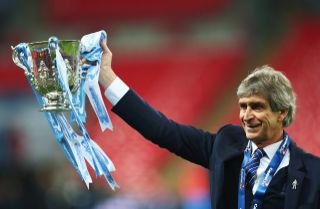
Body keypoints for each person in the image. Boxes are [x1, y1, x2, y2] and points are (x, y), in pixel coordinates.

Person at [98, 40, 320, 209]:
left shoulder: (311, 172)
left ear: (282, 112)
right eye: (244, 106)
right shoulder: (225, 144)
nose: (247, 115)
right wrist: (107, 76)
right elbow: (162, 129)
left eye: (258, 107)